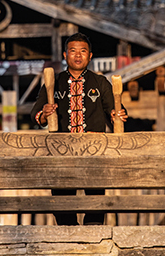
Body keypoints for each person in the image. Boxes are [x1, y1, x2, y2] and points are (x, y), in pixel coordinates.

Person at [31, 32, 128, 224]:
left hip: (94, 151)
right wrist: (45, 113)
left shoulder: (100, 83)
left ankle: (94, 240)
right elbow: (36, 114)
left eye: (83, 51)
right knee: (62, 201)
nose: (78, 55)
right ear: (65, 55)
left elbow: (114, 110)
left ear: (90, 56)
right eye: (73, 51)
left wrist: (119, 115)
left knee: (96, 200)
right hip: (61, 151)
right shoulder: (54, 82)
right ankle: (68, 238)